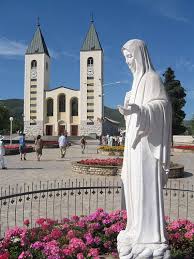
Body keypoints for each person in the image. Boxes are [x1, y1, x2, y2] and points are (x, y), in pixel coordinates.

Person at [117, 39, 172, 258]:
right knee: (133, 188)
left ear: (140, 55)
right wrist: (129, 110)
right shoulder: (135, 83)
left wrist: (142, 111)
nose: (128, 62)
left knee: (145, 189)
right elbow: (136, 114)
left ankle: (149, 236)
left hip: (147, 148)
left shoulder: (152, 78)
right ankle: (135, 229)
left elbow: (163, 106)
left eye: (130, 56)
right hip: (134, 147)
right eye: (125, 58)